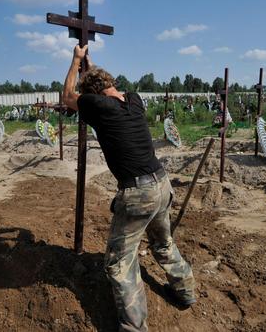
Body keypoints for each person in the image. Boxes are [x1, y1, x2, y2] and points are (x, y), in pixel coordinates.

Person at [62, 45, 196, 332]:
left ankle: (134, 329)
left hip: (138, 195)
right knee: (163, 243)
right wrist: (90, 64)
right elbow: (98, 84)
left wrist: (75, 61)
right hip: (162, 184)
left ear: (94, 94)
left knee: (119, 263)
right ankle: (186, 291)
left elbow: (68, 97)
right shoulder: (134, 100)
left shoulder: (97, 105)